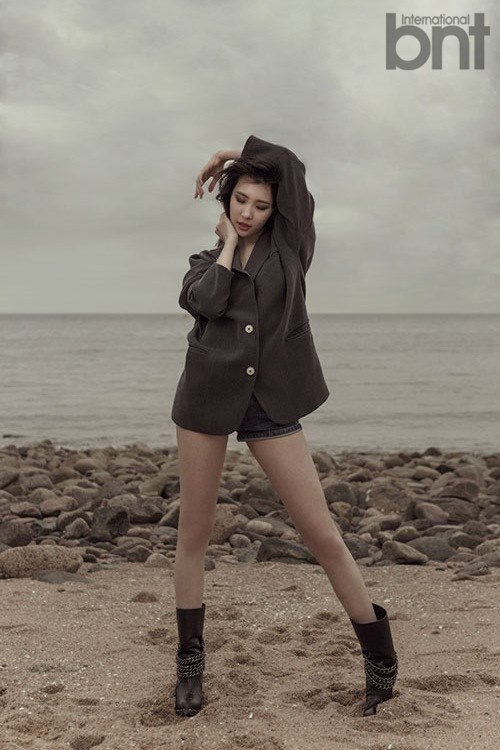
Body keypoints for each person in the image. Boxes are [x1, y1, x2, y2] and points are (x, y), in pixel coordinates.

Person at [170, 134, 398, 718]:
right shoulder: (203, 266)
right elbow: (207, 302)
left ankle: (379, 657)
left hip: (271, 403)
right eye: (239, 200)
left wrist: (229, 154)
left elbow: (290, 167)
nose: (248, 212)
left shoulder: (292, 248)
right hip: (205, 399)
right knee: (194, 533)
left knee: (322, 534)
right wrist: (226, 246)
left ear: (277, 210)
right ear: (226, 204)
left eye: (261, 204)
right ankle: (190, 663)